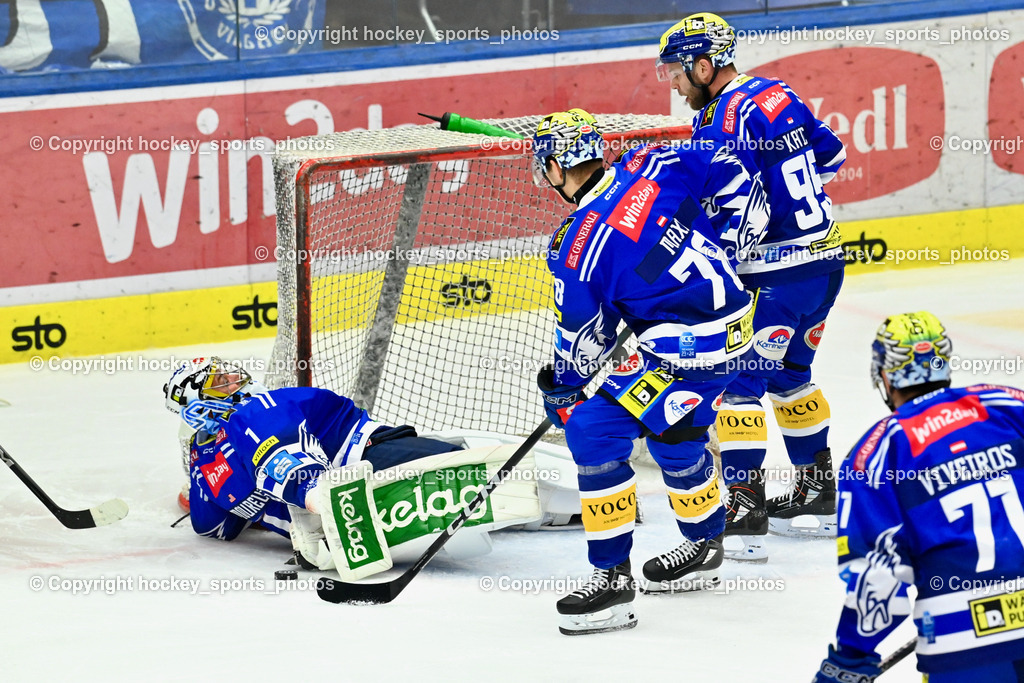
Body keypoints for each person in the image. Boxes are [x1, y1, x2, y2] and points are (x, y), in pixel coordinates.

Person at [531, 109, 760, 635]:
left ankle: (612, 583)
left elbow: (584, 342)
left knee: (592, 429)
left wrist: (561, 387)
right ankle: (705, 544)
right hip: (736, 333)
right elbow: (731, 163)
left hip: (686, 354)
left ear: (558, 166)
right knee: (675, 436)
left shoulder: (577, 245)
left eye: (546, 167)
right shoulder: (652, 163)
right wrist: (731, 241)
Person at [656, 12, 848, 560]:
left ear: (704, 65)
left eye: (677, 71)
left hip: (773, 277)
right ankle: (817, 493)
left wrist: (706, 265)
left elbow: (745, 211)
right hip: (824, 264)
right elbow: (832, 158)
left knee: (738, 387)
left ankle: (744, 513)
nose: (674, 84)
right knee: (790, 374)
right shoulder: (777, 92)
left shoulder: (721, 119)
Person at [163, 357, 576, 573]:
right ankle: (323, 501)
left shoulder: (228, 445)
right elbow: (212, 525)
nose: (235, 381)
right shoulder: (231, 438)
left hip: (369, 464)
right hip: (359, 484)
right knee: (496, 484)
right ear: (194, 406)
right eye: (219, 382)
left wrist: (274, 499)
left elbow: (215, 524)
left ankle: (322, 500)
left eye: (230, 375)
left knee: (502, 487)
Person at [814, 311, 1024, 682]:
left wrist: (851, 657)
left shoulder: (877, 452)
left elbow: (879, 572)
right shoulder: (1008, 406)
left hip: (962, 641)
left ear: (884, 375)